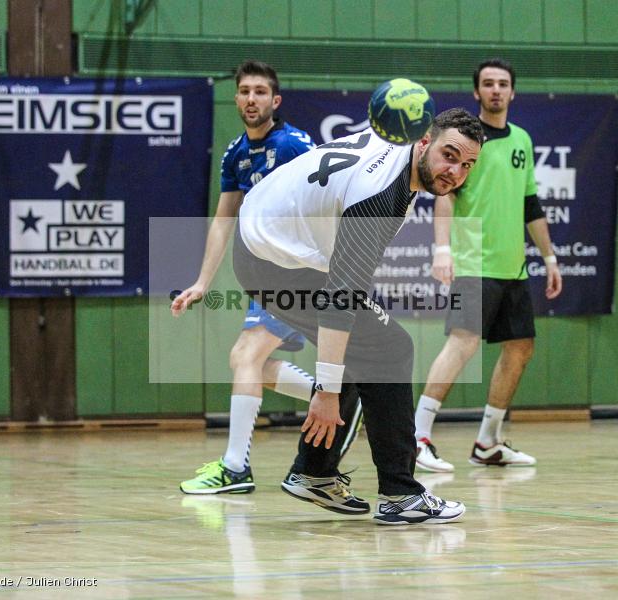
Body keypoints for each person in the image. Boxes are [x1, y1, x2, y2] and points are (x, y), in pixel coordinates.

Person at [233, 108, 483, 524]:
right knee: (390, 348)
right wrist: (327, 393)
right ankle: (399, 494)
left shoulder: (398, 141)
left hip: (267, 243)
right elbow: (340, 298)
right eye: (449, 155)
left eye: (466, 165)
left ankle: (315, 471)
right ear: (424, 142)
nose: (455, 171)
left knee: (364, 347)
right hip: (275, 260)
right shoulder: (380, 199)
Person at [173, 60, 361, 495]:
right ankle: (330, 395)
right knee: (256, 365)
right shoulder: (236, 153)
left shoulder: (295, 146)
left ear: (275, 101)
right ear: (236, 98)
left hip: (299, 275)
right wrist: (202, 283)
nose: (251, 98)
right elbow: (223, 220)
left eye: (260, 91)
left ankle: (236, 468)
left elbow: (327, 203)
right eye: (244, 91)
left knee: (245, 356)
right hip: (267, 276)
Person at [413, 58, 563, 473]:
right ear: (477, 92)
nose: (496, 90)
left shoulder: (522, 140)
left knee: (520, 348)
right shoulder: (464, 141)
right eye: (488, 84)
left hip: (513, 267)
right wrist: (441, 249)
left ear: (512, 92)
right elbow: (443, 193)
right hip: (472, 261)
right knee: (463, 342)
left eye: (503, 84)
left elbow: (530, 203)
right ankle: (418, 436)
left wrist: (549, 258)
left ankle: (488, 441)